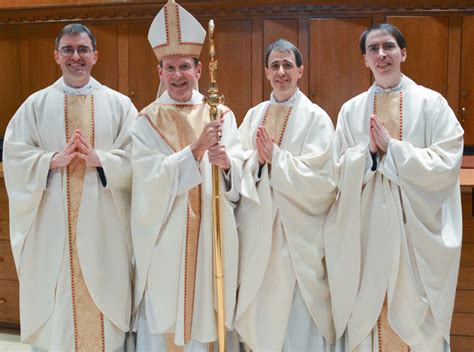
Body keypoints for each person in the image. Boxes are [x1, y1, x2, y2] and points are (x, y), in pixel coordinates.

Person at [324, 23, 464, 351]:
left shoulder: (433, 103)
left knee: (417, 321)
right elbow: (337, 172)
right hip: (367, 236)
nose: (381, 54)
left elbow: (447, 162)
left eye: (388, 46)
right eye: (373, 49)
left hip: (415, 235)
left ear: (404, 52)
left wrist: (395, 149)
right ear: (365, 60)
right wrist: (370, 153)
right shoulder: (351, 110)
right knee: (370, 314)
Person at [3, 23, 137, 350]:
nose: (75, 57)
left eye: (82, 50)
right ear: (56, 56)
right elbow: (14, 153)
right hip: (53, 228)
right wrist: (50, 160)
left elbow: (140, 158)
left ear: (95, 56)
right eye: (68, 50)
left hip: (105, 228)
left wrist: (102, 160)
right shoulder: (35, 105)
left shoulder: (119, 106)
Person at [130, 0, 243, 350]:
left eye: (184, 66)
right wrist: (194, 150)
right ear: (159, 72)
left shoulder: (221, 113)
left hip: (212, 236)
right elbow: (146, 182)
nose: (177, 75)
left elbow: (238, 178)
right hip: (167, 240)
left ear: (198, 69)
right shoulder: (147, 120)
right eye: (169, 67)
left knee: (209, 310)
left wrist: (227, 166)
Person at [234, 39, 337, 351]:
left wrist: (275, 160)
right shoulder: (253, 116)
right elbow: (238, 167)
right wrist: (257, 162)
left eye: (287, 65)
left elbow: (323, 181)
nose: (281, 72)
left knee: (296, 318)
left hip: (297, 238)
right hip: (258, 232)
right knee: (260, 307)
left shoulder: (316, 118)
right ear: (266, 72)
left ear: (300, 71)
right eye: (275, 66)